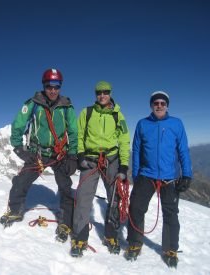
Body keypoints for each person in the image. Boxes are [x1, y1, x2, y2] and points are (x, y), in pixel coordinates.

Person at [0, 68, 78, 243]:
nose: (53, 90)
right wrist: (18, 146)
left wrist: (72, 155)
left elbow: (73, 131)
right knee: (22, 180)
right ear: (44, 86)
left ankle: (65, 222)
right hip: (37, 153)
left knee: (65, 186)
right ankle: (15, 211)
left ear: (60, 87)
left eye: (56, 86)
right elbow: (19, 123)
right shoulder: (33, 103)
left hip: (59, 153)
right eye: (49, 86)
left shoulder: (66, 106)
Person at [125, 91, 193, 268]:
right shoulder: (142, 124)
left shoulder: (176, 124)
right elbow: (137, 150)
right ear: (151, 105)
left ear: (167, 105)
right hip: (146, 175)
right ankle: (134, 243)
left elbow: (183, 151)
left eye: (163, 103)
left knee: (170, 213)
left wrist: (187, 174)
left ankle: (170, 249)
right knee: (136, 208)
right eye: (156, 103)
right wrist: (136, 175)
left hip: (169, 177)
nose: (159, 105)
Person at [71, 81, 130, 257]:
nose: (102, 95)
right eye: (99, 92)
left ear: (110, 93)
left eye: (105, 92)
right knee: (83, 197)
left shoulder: (118, 115)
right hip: (90, 159)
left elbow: (124, 140)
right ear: (95, 94)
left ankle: (111, 235)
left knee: (114, 196)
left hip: (111, 159)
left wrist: (124, 164)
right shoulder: (86, 112)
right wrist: (80, 155)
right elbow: (79, 134)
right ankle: (80, 236)